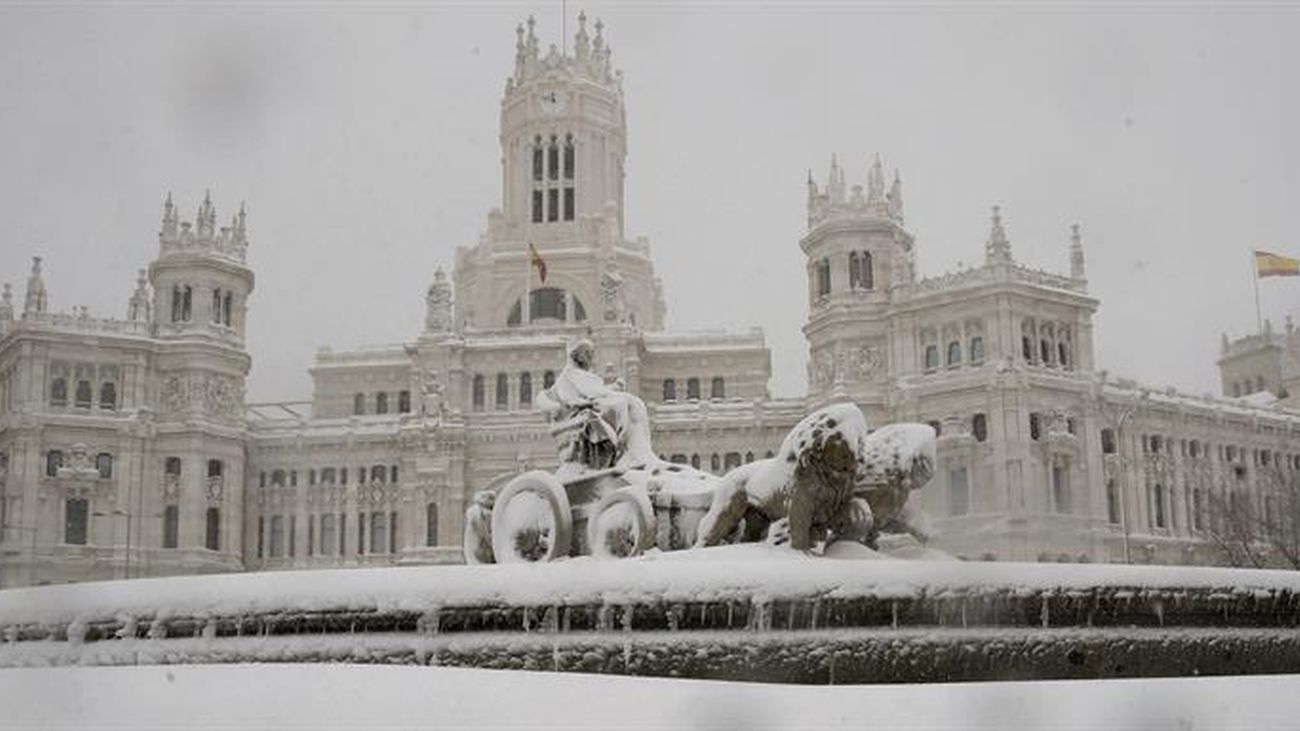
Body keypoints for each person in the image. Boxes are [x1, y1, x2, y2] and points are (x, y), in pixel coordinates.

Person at [536, 339, 653, 471]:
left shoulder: (583, 375)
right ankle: (623, 451)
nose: (590, 357)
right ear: (577, 355)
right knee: (622, 403)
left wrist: (613, 388)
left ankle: (638, 450)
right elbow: (576, 397)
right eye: (587, 353)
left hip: (593, 406)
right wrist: (608, 392)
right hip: (579, 413)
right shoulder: (570, 374)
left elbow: (596, 391)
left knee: (634, 403)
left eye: (592, 353)